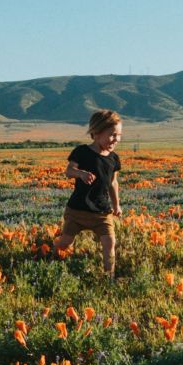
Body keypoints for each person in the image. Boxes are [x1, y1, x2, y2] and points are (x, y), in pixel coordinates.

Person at [53, 110, 122, 278]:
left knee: (109, 242)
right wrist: (81, 173)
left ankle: (109, 276)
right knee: (65, 243)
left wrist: (116, 205)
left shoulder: (113, 159)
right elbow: (69, 171)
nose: (116, 139)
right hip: (77, 210)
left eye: (119, 135)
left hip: (101, 212)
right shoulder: (81, 151)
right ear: (96, 133)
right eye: (112, 135)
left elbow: (113, 183)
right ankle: (51, 254)